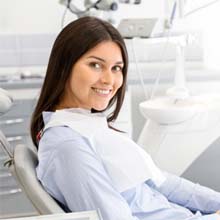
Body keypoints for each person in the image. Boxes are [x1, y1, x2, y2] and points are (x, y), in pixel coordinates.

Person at [31, 16, 220, 220]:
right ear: (64, 66)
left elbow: (161, 182)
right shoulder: (68, 145)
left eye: (116, 68)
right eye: (95, 65)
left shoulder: (85, 125)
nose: (109, 80)